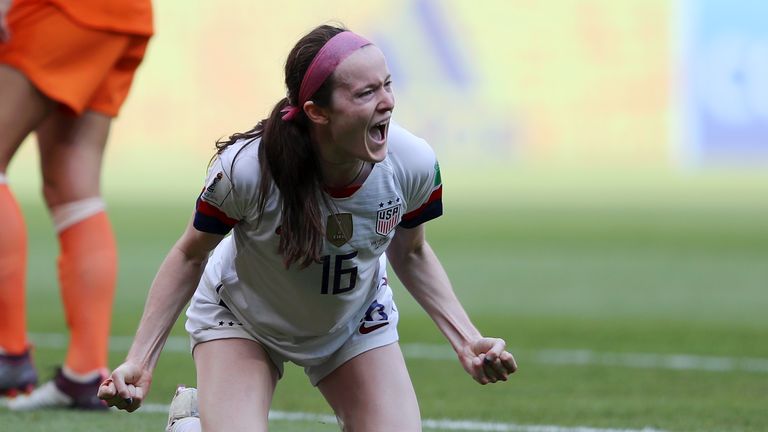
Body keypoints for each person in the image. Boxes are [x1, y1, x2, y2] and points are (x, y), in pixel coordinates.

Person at [98, 24, 517, 431]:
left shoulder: (413, 162)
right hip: (243, 319)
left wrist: (467, 340)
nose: (387, 101)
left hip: (353, 320)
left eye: (387, 84)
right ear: (318, 112)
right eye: (366, 92)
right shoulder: (247, 171)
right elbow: (190, 254)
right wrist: (141, 359)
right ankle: (192, 424)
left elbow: (411, 252)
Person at [0, 0, 153, 410]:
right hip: (127, 14)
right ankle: (85, 375)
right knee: (73, 187)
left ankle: (7, 350)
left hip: (63, 9)